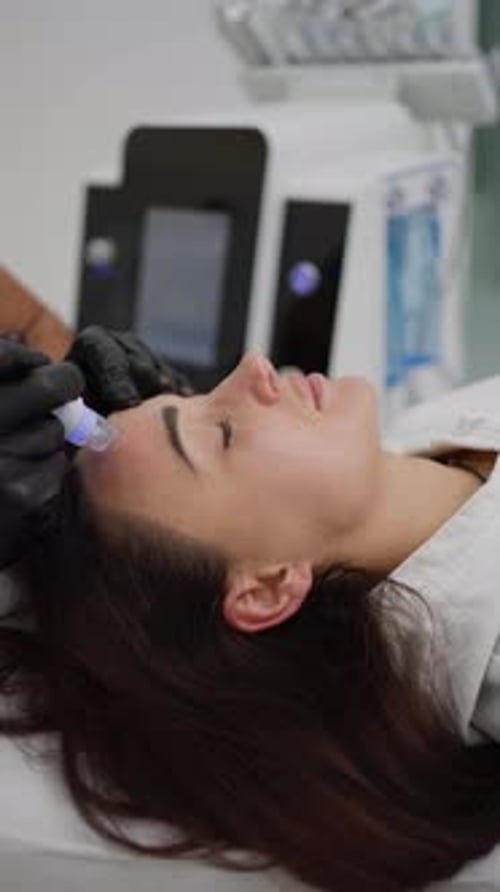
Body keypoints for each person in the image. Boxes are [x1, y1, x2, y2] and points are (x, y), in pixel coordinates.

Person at [2, 328, 500, 892]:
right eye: (224, 432)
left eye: (198, 397)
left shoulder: (421, 449)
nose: (254, 365)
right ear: (267, 588)